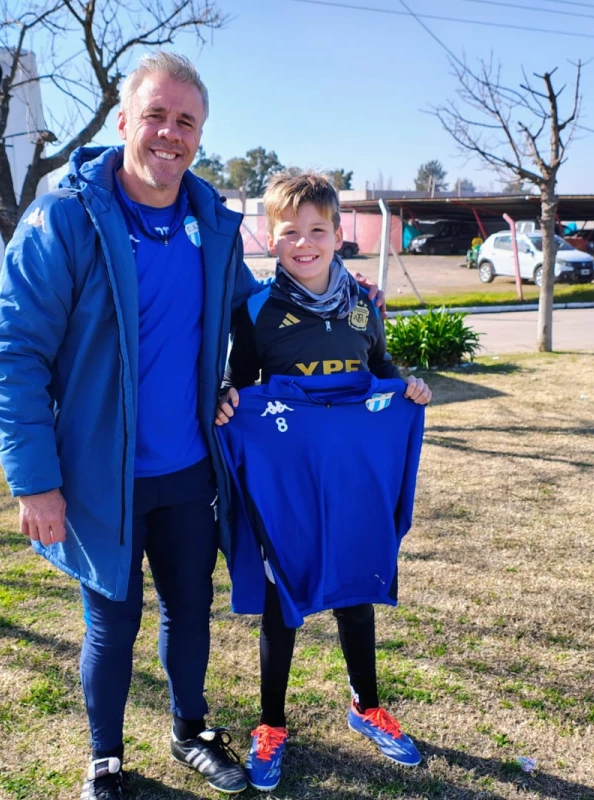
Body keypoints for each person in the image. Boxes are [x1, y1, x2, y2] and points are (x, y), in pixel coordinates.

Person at [0, 55, 382, 800]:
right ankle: (105, 757)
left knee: (188, 611)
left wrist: (342, 291)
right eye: (157, 116)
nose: (170, 133)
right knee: (113, 623)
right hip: (99, 476)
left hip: (190, 470)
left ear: (199, 136)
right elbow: (13, 356)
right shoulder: (65, 218)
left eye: (186, 122)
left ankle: (191, 729)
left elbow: (257, 309)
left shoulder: (211, 224)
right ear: (125, 122)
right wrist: (34, 481)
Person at [214, 171, 432, 792]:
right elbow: (241, 383)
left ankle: (366, 707)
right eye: (290, 232)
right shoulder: (254, 310)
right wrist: (230, 398)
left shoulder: (363, 306)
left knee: (355, 589)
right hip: (290, 486)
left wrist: (407, 387)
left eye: (317, 230)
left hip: (352, 481)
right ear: (271, 238)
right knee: (285, 602)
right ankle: (271, 724)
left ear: (339, 234)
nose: (303, 243)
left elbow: (381, 371)